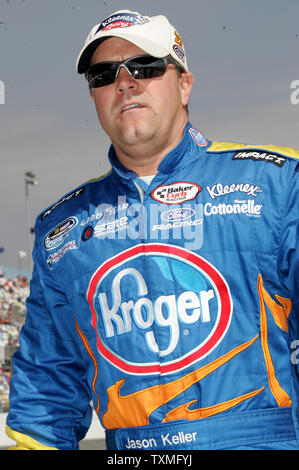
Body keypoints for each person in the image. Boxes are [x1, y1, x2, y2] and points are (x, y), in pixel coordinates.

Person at [6, 9, 299, 450]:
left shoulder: (275, 184)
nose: (125, 82)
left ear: (184, 85)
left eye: (146, 66)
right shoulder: (61, 231)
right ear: (95, 98)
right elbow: (47, 392)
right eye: (103, 75)